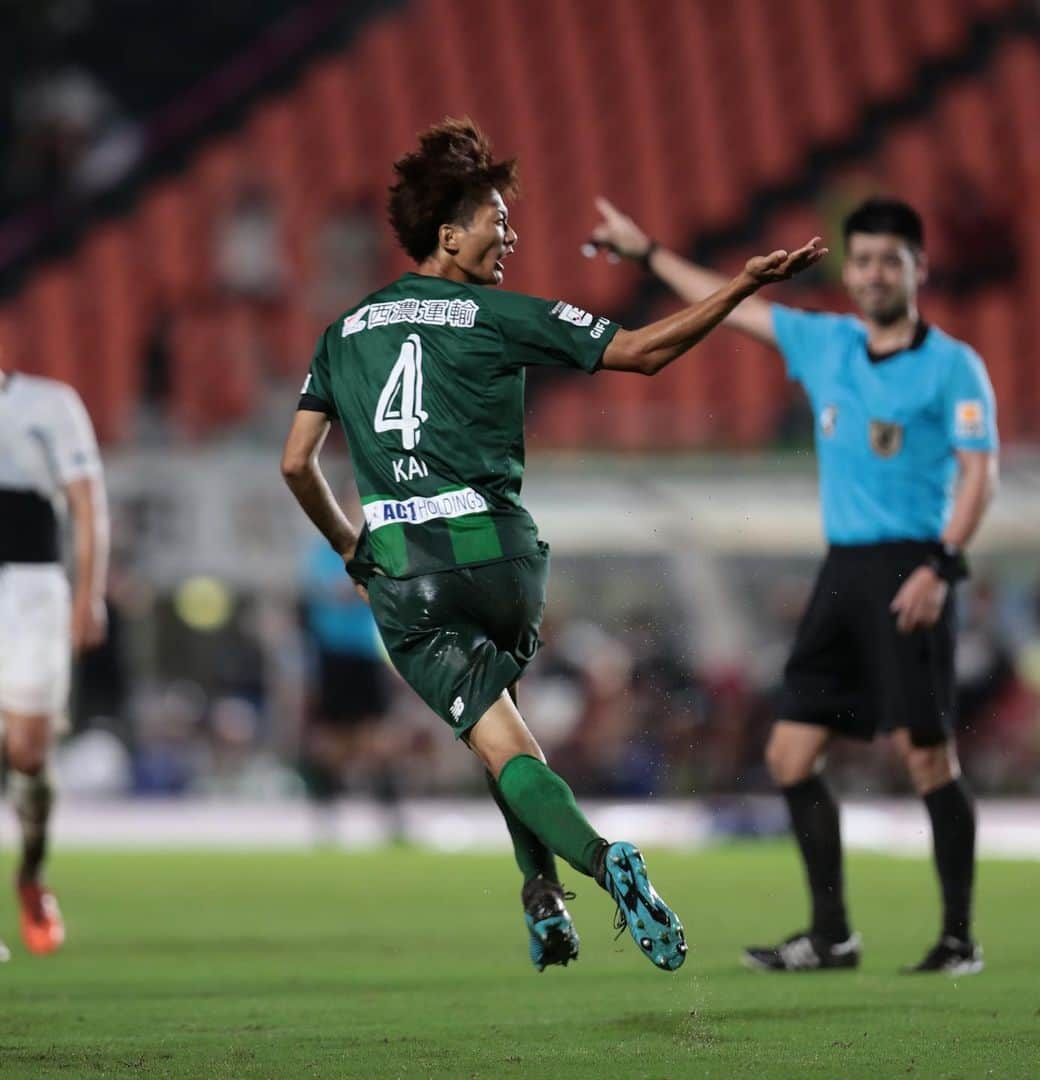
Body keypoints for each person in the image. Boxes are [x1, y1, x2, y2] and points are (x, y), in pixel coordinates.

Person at [281, 117, 824, 974]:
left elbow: (295, 463)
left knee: (498, 744)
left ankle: (603, 863)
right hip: (500, 554)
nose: (511, 233)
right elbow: (643, 353)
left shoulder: (342, 331)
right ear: (448, 234)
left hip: (408, 570)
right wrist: (740, 289)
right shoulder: (495, 315)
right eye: (497, 218)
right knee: (504, 733)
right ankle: (542, 898)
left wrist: (355, 548)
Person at [589, 195, 997, 975]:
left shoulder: (953, 365)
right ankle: (833, 934)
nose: (874, 273)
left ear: (919, 268)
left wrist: (942, 566)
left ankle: (958, 939)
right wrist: (645, 254)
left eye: (890, 260)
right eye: (864, 259)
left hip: (914, 563)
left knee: (927, 760)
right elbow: (729, 302)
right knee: (787, 752)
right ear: (849, 268)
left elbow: (982, 474)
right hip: (841, 569)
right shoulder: (825, 342)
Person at [0, 355, 109, 960]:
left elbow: (88, 504)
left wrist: (89, 593)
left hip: (31, 589)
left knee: (27, 751)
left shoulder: (48, 404)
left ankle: (31, 874)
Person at [298, 521, 402, 844]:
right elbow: (334, 592)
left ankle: (391, 816)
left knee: (377, 738)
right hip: (335, 655)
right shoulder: (321, 555)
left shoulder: (377, 551)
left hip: (367, 653)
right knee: (334, 740)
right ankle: (326, 814)